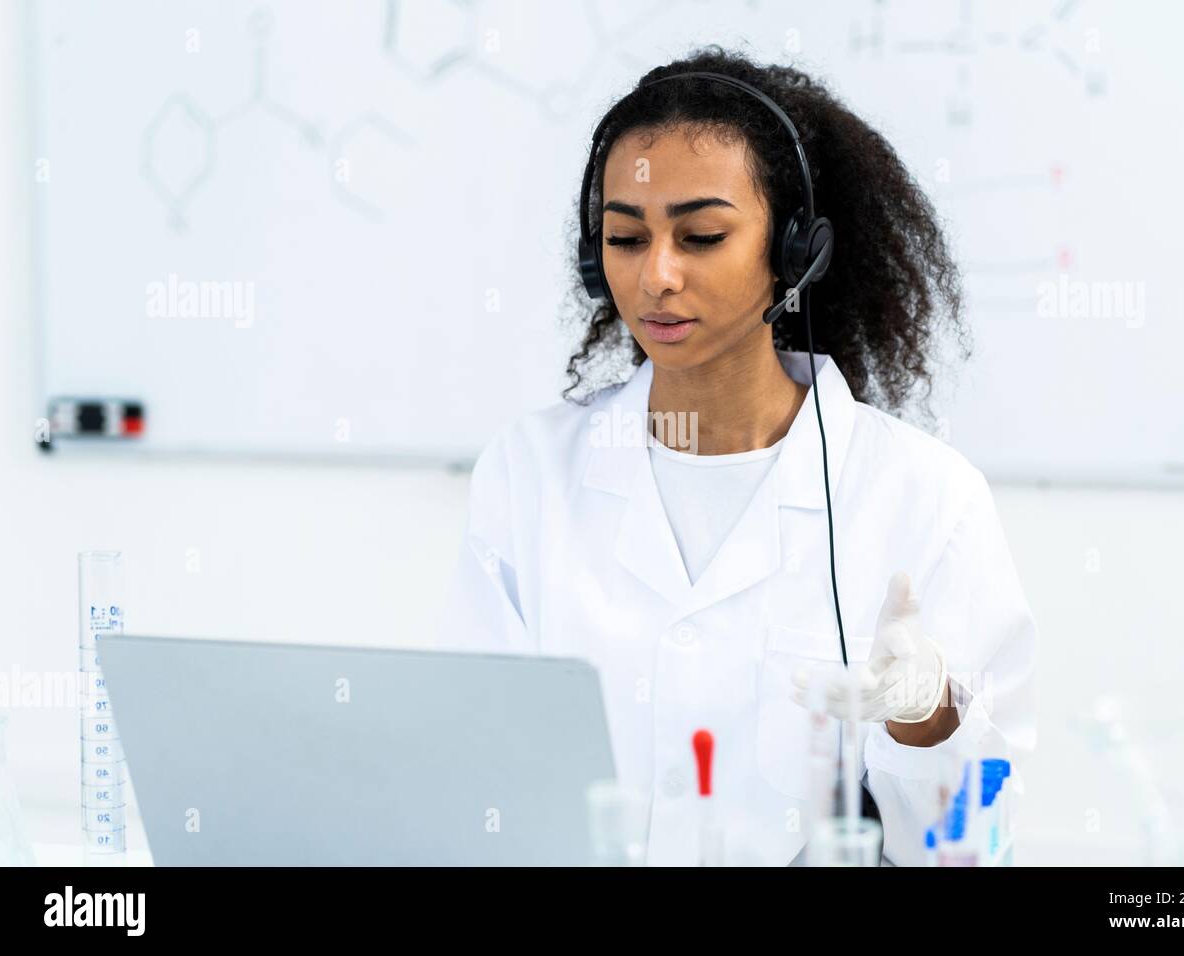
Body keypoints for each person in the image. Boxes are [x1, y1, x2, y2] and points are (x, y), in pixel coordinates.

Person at [434, 46, 1037, 866]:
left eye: (703, 236)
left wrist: (926, 718)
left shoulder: (925, 498)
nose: (657, 276)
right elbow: (474, 782)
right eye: (623, 237)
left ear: (797, 255)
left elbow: (970, 850)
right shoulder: (530, 471)